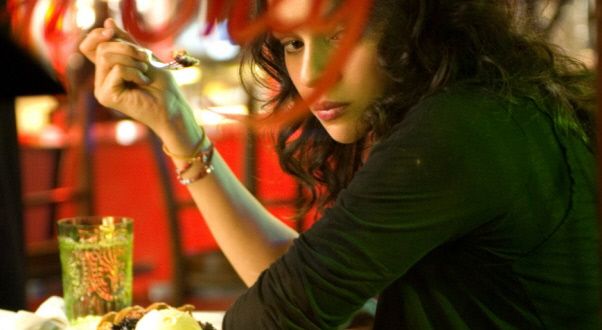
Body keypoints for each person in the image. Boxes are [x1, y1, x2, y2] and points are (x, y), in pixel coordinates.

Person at [79, 0, 599, 328]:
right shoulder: (485, 107)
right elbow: (309, 290)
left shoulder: (459, 128)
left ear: (416, 24)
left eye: (341, 36)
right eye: (293, 43)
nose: (314, 73)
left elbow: (274, 316)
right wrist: (178, 126)